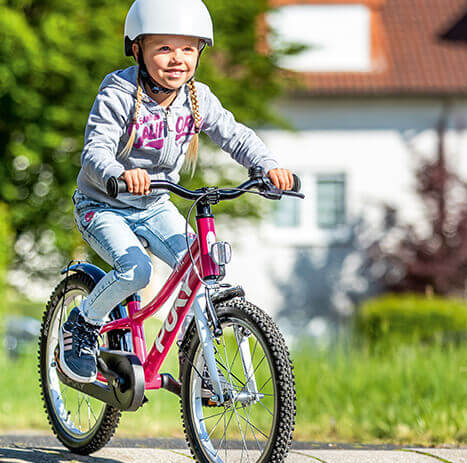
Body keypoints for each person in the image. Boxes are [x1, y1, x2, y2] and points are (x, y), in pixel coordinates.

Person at [58, 0, 293, 383]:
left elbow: (235, 135)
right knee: (137, 271)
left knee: (205, 268)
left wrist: (267, 166)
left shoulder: (197, 99)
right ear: (138, 50)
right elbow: (95, 150)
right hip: (102, 204)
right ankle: (82, 324)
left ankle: (198, 355)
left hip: (155, 205)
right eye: (163, 48)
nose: (177, 59)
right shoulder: (118, 92)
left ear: (200, 52)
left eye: (187, 48)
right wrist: (120, 172)